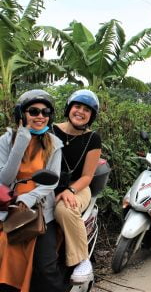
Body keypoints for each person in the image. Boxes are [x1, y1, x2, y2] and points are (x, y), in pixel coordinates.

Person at [0, 90, 67, 292]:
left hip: (40, 208)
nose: (40, 116)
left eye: (45, 112)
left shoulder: (53, 143)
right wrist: (22, 140)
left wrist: (29, 198)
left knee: (46, 265)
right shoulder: (7, 139)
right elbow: (4, 179)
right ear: (22, 114)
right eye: (34, 111)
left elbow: (51, 181)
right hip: (8, 205)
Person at [53, 90, 102, 284]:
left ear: (92, 116)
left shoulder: (93, 139)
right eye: (77, 106)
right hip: (50, 185)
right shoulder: (51, 129)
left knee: (65, 209)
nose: (80, 112)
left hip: (78, 186)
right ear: (68, 108)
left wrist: (70, 190)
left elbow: (88, 175)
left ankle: (82, 261)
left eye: (87, 110)